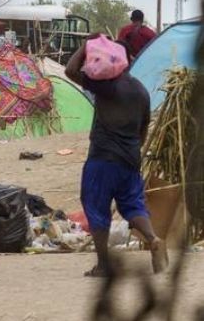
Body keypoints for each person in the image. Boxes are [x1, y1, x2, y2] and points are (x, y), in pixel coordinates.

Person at [65, 36, 167, 278]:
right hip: (130, 160)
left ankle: (103, 265)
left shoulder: (107, 87)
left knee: (96, 205)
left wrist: (86, 45)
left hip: (102, 158)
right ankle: (153, 239)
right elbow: (143, 132)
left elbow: (70, 70)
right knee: (133, 205)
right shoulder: (141, 91)